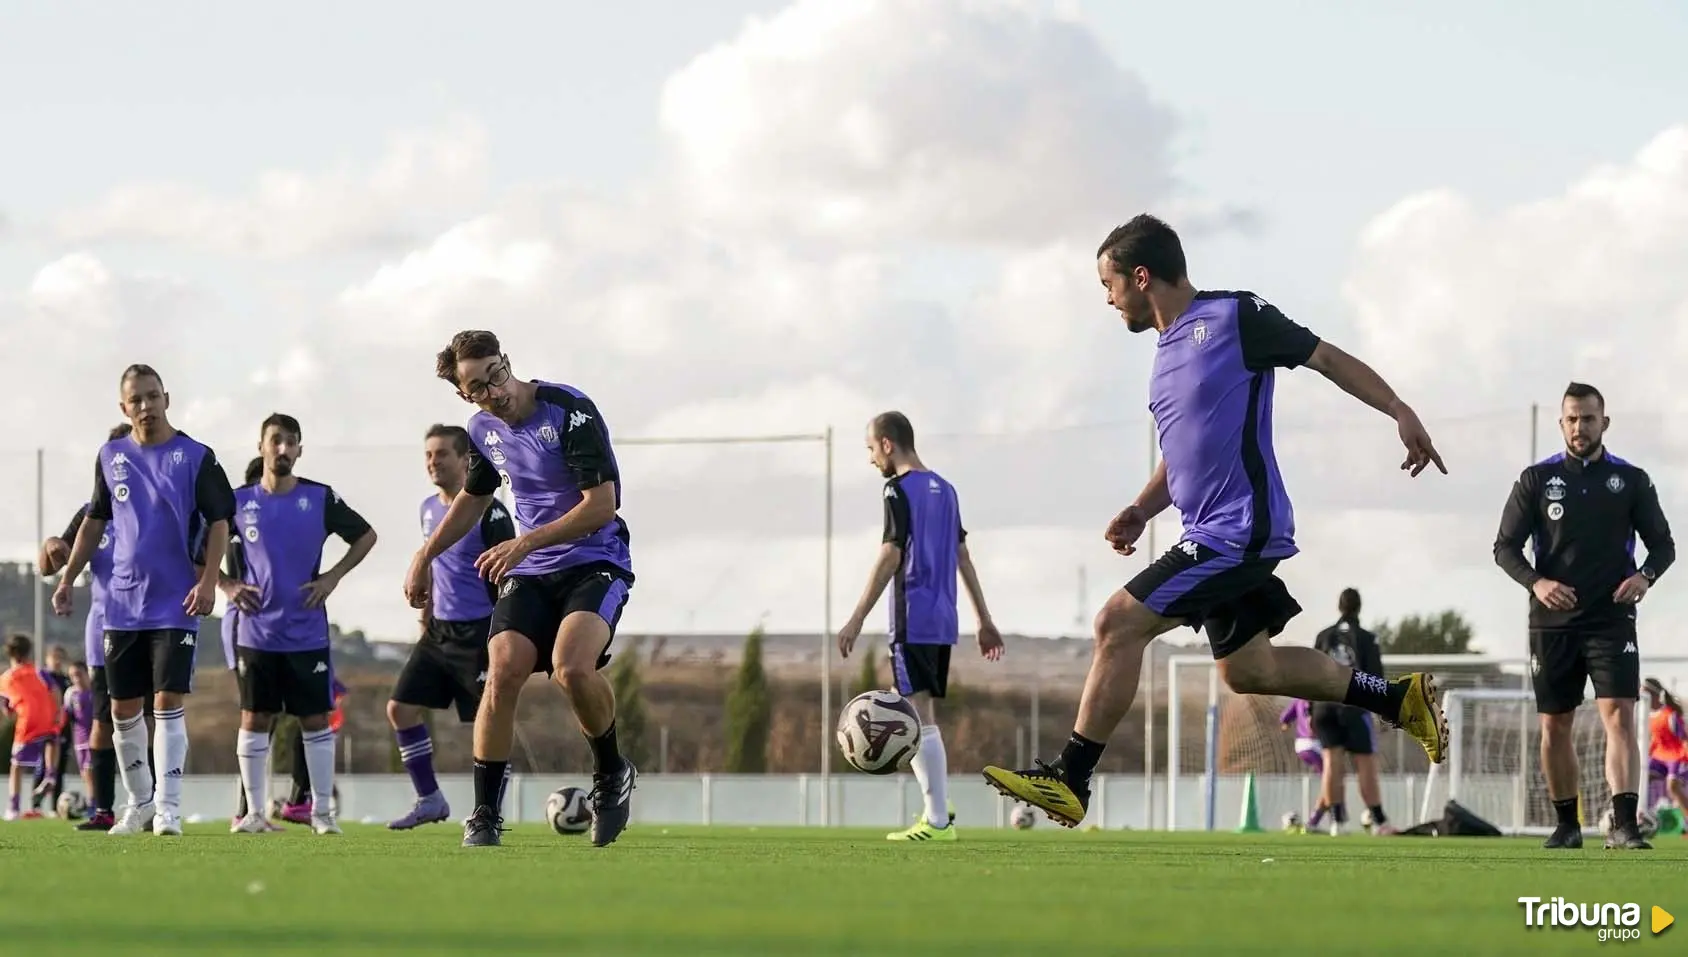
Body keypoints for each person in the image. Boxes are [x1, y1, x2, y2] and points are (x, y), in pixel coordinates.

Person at [983, 215, 1449, 828]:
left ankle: (1071, 778)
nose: (1107, 298)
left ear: (1141, 276)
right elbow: (1186, 456)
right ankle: (1397, 698)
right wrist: (1140, 509)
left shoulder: (1235, 317)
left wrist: (1398, 408)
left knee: (1116, 624)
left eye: (1110, 284)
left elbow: (1327, 357)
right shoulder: (1162, 357)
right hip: (1205, 531)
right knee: (1251, 671)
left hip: (1238, 530)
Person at [404, 330, 636, 848]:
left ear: (507, 362)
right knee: (502, 671)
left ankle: (611, 771)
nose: (495, 391)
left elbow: (602, 505)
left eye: (497, 375)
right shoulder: (482, 430)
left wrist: (526, 542)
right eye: (479, 388)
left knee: (571, 669)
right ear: (464, 395)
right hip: (530, 570)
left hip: (595, 559)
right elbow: (472, 498)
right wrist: (425, 555)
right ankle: (484, 814)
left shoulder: (568, 410)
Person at [1494, 381, 1676, 850]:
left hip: (1611, 619)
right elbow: (1505, 548)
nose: (1580, 427)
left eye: (1589, 418)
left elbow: (1664, 545)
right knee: (1555, 723)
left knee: (1618, 715)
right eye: (1572, 419)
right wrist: (1538, 582)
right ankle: (1566, 824)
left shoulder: (1631, 480)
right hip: (1551, 623)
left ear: (1604, 423)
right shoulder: (1536, 479)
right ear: (1562, 424)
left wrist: (1645, 576)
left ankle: (1625, 824)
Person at [53, 367, 234, 837]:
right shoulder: (110, 456)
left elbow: (219, 523)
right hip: (120, 607)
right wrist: (68, 578)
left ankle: (169, 807)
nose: (146, 406)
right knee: (121, 710)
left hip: (176, 603)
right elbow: (94, 520)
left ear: (167, 399)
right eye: (137, 400)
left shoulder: (196, 456)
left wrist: (210, 581)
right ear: (124, 408)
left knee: (167, 703)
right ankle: (139, 805)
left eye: (153, 397)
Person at [836, 411, 1003, 841]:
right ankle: (938, 808)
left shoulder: (897, 490)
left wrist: (856, 618)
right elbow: (963, 557)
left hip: (912, 616)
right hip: (944, 618)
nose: (872, 459)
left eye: (872, 449)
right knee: (912, 706)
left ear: (888, 444)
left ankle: (937, 820)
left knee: (917, 714)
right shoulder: (946, 490)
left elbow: (891, 555)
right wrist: (984, 620)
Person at [222, 414, 376, 836]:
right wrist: (228, 585)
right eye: (276, 441)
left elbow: (366, 536)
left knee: (314, 720)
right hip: (256, 633)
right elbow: (196, 548)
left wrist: (333, 577)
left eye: (291, 442)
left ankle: (321, 814)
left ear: (300, 450)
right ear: (262, 446)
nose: (283, 449)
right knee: (254, 718)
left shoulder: (320, 498)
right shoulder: (237, 501)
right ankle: (254, 814)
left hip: (307, 631)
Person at [388, 424, 516, 830]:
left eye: (442, 454)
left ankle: (488, 812)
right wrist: (424, 616)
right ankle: (429, 800)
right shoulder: (427, 508)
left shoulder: (491, 513)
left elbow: (510, 576)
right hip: (439, 632)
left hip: (480, 634)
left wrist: (505, 635)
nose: (433, 461)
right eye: (428, 454)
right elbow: (436, 567)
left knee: (487, 723)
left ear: (466, 460)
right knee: (401, 709)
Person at [38, 422, 147, 832]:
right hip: (105, 632)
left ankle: (154, 804)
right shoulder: (90, 513)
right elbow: (53, 561)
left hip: (155, 628)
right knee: (105, 722)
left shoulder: (160, 508)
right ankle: (103, 809)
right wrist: (51, 548)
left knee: (150, 719)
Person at [1311, 588, 1393, 835]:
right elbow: (1375, 677)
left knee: (1331, 763)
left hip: (1324, 707)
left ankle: (1337, 822)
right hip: (1352, 706)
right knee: (1365, 764)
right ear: (1359, 607)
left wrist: (1308, 709)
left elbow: (1310, 673)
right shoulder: (1367, 639)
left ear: (1339, 607)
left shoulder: (1323, 636)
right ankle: (1380, 822)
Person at [1, 634, 61, 820]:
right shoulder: (39, 671)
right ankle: (50, 775)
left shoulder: (6, 678)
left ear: (9, 653)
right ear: (28, 652)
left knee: (17, 766)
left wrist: (9, 714)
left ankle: (13, 807)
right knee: (52, 740)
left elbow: (5, 706)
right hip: (49, 714)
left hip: (27, 720)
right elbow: (56, 690)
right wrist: (57, 713)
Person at [1277, 698, 1329, 831]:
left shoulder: (1298, 700)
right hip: (1312, 744)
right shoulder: (1314, 699)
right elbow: (1308, 720)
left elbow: (1284, 719)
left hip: (1303, 746)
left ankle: (1320, 820)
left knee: (1331, 783)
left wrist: (1286, 724)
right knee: (1331, 783)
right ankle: (1317, 821)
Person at [31, 644, 71, 815]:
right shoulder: (42, 677)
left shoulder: (66, 680)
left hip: (63, 729)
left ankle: (55, 808)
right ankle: (36, 806)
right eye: (54, 657)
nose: (57, 661)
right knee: (43, 766)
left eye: (60, 657)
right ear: (47, 658)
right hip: (45, 728)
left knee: (59, 769)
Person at [1643, 677, 1688, 825]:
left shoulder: (1670, 714)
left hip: (1675, 757)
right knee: (1640, 778)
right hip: (1658, 757)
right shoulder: (1648, 716)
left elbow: (1683, 739)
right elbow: (1655, 739)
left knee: (1672, 787)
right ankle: (1638, 816)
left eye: (1643, 692)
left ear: (1652, 695)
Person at [61, 661, 97, 812]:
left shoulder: (95, 692)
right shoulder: (70, 693)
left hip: (95, 739)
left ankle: (93, 806)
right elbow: (66, 716)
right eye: (72, 676)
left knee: (90, 772)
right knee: (85, 774)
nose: (76, 679)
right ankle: (93, 804)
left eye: (78, 675)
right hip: (79, 741)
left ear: (87, 673)